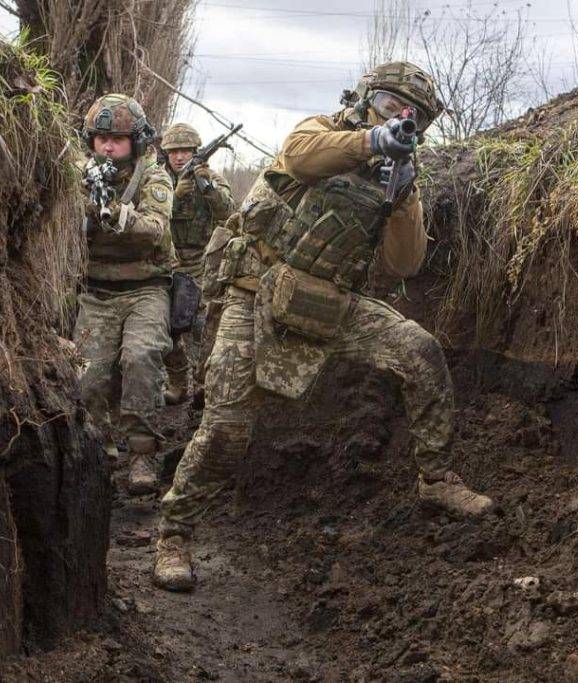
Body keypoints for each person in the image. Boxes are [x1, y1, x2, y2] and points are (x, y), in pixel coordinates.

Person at [152, 62, 495, 592]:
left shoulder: (396, 178)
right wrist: (371, 141)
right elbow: (302, 156)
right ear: (364, 100)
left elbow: (406, 264)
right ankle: (174, 535)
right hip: (256, 292)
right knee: (226, 430)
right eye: (389, 106)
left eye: (415, 118)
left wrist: (403, 197)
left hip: (335, 301)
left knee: (420, 350)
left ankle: (435, 477)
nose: (402, 120)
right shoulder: (321, 131)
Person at [73, 93, 176, 495]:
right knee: (90, 374)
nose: (109, 146)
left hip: (145, 288)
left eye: (117, 138)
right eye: (101, 139)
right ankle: (98, 453)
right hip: (96, 289)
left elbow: (157, 229)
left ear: (135, 140)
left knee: (141, 359)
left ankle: (142, 453)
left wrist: (118, 215)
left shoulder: (153, 176)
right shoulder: (79, 174)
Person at [159, 123, 235, 405]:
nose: (180, 157)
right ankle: (178, 382)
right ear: (166, 153)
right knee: (165, 326)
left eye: (186, 151)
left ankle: (205, 386)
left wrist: (209, 188)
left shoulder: (210, 178)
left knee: (204, 327)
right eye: (174, 151)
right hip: (164, 262)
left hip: (201, 263)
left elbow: (229, 212)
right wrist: (176, 197)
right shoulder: (156, 180)